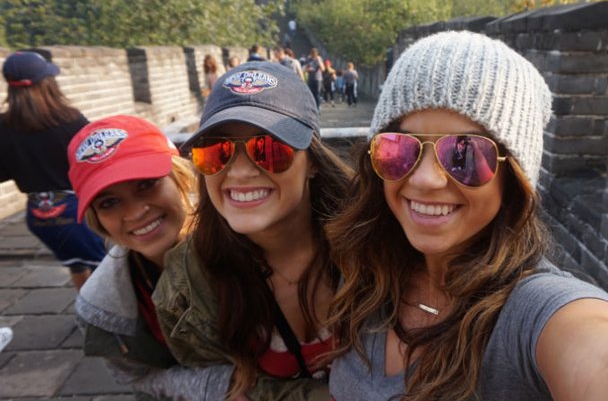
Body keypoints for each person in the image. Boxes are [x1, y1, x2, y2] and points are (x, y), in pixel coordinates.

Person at [326, 31, 608, 400]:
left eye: (464, 153)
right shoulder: (366, 271)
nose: (426, 179)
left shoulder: (532, 312)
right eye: (401, 147)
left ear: (513, 179)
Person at [153, 61, 352, 398]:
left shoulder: (374, 245)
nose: (240, 172)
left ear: (313, 163)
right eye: (217, 152)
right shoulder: (188, 285)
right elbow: (222, 380)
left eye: (270, 150)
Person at [68, 114, 243, 399]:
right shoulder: (100, 306)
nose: (136, 213)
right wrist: (219, 387)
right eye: (109, 202)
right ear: (97, 219)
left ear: (180, 177)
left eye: (146, 184)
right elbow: (138, 376)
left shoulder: (251, 242)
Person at [0, 51, 106, 289]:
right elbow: (95, 158)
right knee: (107, 268)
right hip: (76, 211)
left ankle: (85, 313)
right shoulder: (70, 120)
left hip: (38, 215)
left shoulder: (3, 126)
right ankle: (108, 318)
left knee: (76, 264)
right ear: (47, 83)